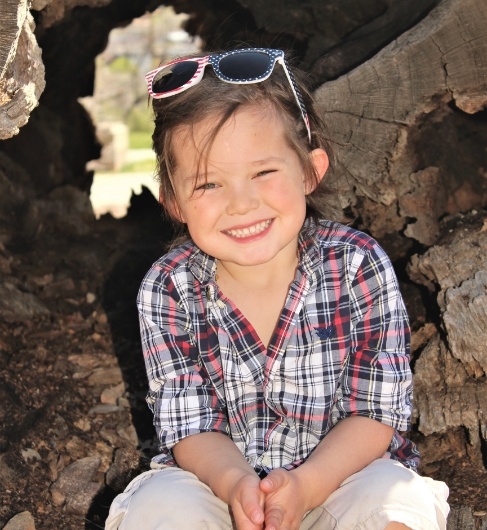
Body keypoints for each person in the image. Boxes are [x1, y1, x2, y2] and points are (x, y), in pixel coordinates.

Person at [105, 48, 449, 530]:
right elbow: (191, 427)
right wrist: (238, 488)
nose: (242, 204)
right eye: (208, 185)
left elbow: (376, 411)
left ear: (310, 171)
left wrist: (306, 486)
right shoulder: (169, 288)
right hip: (218, 489)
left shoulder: (356, 265)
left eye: (263, 173)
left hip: (339, 481)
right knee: (157, 507)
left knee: (394, 501)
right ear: (174, 201)